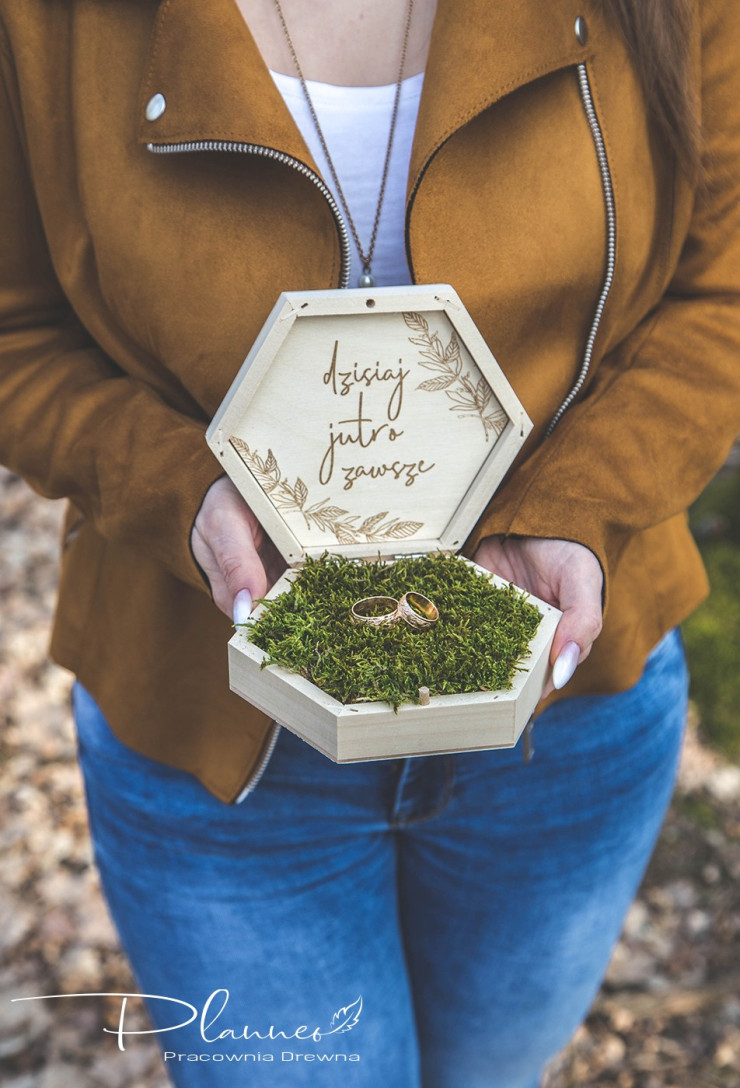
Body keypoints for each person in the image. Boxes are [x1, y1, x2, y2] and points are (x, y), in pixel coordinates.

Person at [1, 1, 738, 1085]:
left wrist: (578, 508)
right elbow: (15, 333)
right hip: (214, 734)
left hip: (564, 720)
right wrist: (185, 493)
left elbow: (718, 290)